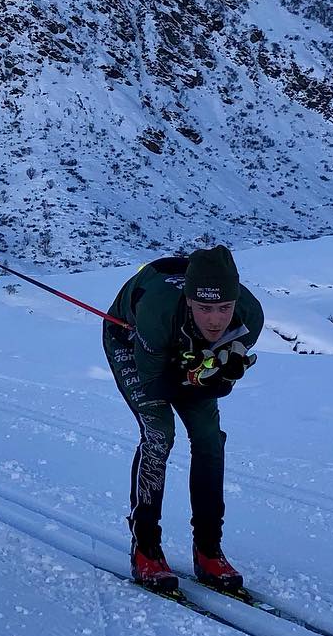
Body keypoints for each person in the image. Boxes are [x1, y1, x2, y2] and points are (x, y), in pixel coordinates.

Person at [103, 244, 263, 593]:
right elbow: (157, 384)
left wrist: (218, 376)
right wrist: (199, 376)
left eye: (224, 307)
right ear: (189, 301)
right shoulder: (159, 310)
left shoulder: (250, 315)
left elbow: (218, 387)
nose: (216, 319)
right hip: (132, 343)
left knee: (208, 439)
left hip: (185, 355)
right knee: (160, 433)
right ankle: (145, 547)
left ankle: (208, 549)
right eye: (205, 308)